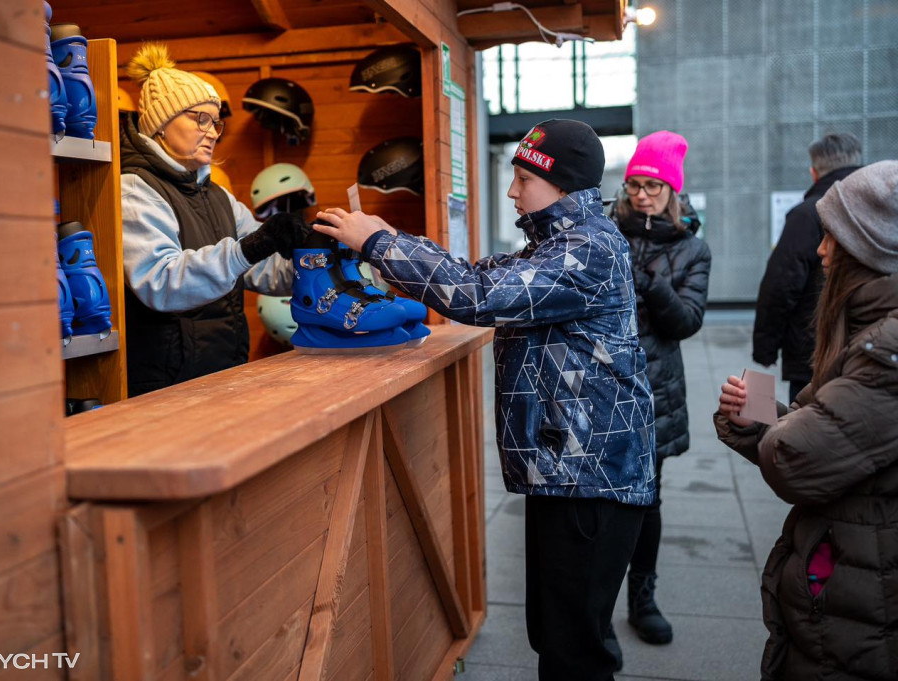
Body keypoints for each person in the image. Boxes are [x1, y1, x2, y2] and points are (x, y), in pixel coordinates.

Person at [315, 119, 656, 681]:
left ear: (564, 186)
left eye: (523, 178)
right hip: (572, 468)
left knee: (574, 651)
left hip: (592, 476)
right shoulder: (556, 242)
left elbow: (476, 297)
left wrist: (378, 242)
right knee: (557, 633)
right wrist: (384, 239)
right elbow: (474, 274)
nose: (512, 190)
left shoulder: (587, 249)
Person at [715, 161, 898, 680]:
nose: (820, 251)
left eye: (832, 240)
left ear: (868, 251)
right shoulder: (868, 331)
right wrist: (757, 413)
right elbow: (820, 422)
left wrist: (774, 425)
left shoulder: (887, 346)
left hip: (865, 585)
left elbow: (798, 454)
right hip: (859, 568)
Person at [119, 43, 308, 396]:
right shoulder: (135, 189)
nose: (211, 132)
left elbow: (263, 269)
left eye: (215, 122)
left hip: (222, 373)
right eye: (199, 118)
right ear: (161, 123)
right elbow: (161, 281)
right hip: (164, 387)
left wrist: (320, 255)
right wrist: (251, 247)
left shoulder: (218, 197)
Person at [604, 131, 711, 659]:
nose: (642, 195)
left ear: (673, 191)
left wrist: (653, 285)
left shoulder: (692, 248)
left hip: (654, 390)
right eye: (635, 185)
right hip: (600, 385)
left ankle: (642, 600)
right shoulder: (604, 233)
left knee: (647, 501)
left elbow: (687, 321)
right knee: (599, 500)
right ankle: (596, 612)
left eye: (654, 186)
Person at [753, 133, 862, 403]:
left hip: (814, 352)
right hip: (866, 348)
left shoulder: (807, 214)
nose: (822, 250)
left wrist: (765, 347)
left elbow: (781, 282)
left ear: (814, 173)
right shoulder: (877, 210)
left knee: (803, 425)